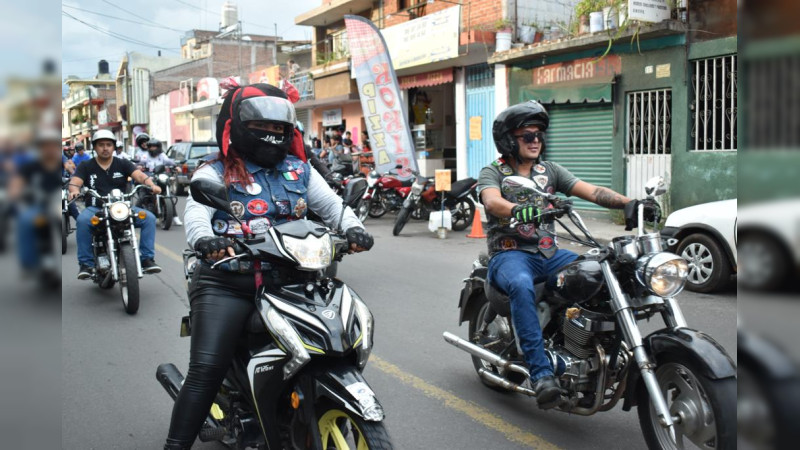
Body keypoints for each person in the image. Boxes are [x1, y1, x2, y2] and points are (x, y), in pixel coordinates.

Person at [163, 83, 374, 449]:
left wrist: (353, 227)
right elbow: (196, 212)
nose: (273, 135)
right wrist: (204, 241)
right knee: (206, 371)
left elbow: (332, 206)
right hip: (229, 281)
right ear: (238, 127)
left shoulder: (300, 170)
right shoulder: (214, 171)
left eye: (280, 129)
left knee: (336, 343)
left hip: (293, 280)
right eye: (265, 128)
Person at [477, 100, 644, 409]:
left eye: (539, 135)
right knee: (521, 286)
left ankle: (595, 348)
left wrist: (630, 202)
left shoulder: (549, 170)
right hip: (510, 254)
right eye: (528, 135)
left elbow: (591, 191)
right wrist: (518, 209)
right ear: (509, 140)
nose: (536, 140)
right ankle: (541, 374)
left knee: (601, 271)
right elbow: (492, 202)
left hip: (548, 254)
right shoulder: (494, 172)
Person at [67, 129, 162, 279]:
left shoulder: (122, 163)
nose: (105, 148)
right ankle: (86, 264)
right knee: (82, 220)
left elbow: (139, 175)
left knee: (149, 218)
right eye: (101, 145)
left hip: (121, 207)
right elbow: (75, 182)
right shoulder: (86, 165)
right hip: (96, 208)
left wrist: (151, 184)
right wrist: (73, 191)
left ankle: (147, 259)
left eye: (108, 145)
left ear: (113, 147)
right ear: (95, 147)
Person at [9, 129, 64, 274]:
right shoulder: (30, 166)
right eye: (45, 145)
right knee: (25, 220)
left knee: (67, 215)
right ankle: (29, 261)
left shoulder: (62, 164)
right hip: (38, 204)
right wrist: (15, 192)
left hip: (58, 203)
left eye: (53, 145)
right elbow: (17, 182)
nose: (49, 148)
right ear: (40, 148)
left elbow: (75, 177)